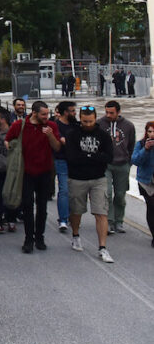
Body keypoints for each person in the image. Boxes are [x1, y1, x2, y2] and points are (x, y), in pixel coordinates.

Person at [5, 100, 62, 253]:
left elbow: (57, 147)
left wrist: (50, 135)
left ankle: (40, 237)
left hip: (45, 172)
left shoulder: (51, 126)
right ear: (34, 113)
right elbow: (7, 141)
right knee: (27, 207)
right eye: (43, 114)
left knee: (42, 207)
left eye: (47, 114)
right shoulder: (20, 125)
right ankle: (28, 239)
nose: (46, 117)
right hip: (26, 173)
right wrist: (14, 154)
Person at [63, 105, 114, 262]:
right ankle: (76, 235)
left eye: (90, 121)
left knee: (101, 212)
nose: (88, 124)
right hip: (77, 178)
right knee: (76, 211)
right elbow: (71, 157)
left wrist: (87, 156)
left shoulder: (103, 135)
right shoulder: (72, 134)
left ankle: (102, 247)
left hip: (99, 178)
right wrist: (94, 156)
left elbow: (109, 157)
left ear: (95, 119)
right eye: (85, 121)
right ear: (80, 118)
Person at [97, 100, 136, 234]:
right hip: (105, 164)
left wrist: (129, 161)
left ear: (118, 112)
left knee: (120, 195)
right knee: (107, 193)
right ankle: (109, 221)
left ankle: (119, 221)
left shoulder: (129, 126)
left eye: (111, 113)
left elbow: (132, 145)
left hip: (123, 164)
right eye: (106, 112)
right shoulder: (99, 124)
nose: (108, 115)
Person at [52, 101, 77, 233]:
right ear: (65, 112)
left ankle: (72, 216)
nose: (75, 113)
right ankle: (63, 219)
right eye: (72, 111)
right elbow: (63, 141)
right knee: (64, 190)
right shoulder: (56, 125)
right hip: (61, 160)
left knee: (75, 191)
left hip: (76, 161)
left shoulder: (76, 124)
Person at [130, 121, 154, 248]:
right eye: (149, 131)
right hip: (145, 182)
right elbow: (135, 160)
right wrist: (146, 149)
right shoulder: (141, 144)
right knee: (151, 207)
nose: (152, 134)